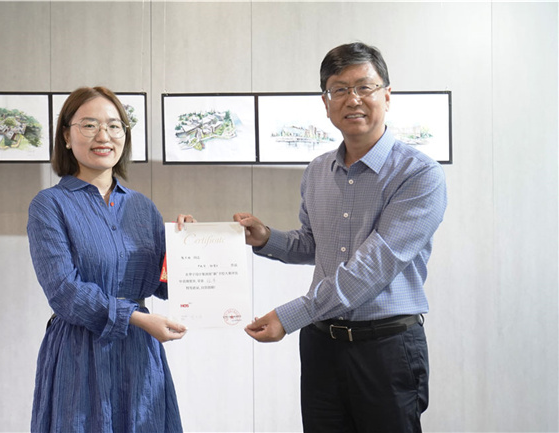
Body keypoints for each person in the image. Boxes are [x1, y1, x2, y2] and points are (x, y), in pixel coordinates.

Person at [180, 42, 447, 432]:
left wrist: (290, 316)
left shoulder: (419, 175)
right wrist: (265, 237)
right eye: (339, 89)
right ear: (326, 102)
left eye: (365, 87)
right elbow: (313, 244)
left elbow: (373, 269)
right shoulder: (318, 170)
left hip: (386, 349)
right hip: (322, 345)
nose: (352, 99)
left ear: (387, 95)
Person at [27, 86, 186, 432]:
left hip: (139, 353)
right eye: (89, 125)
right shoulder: (49, 205)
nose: (104, 136)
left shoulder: (143, 207)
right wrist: (138, 319)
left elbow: (162, 283)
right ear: (66, 135)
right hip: (80, 350)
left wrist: (187, 248)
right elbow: (64, 291)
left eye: (114, 126)